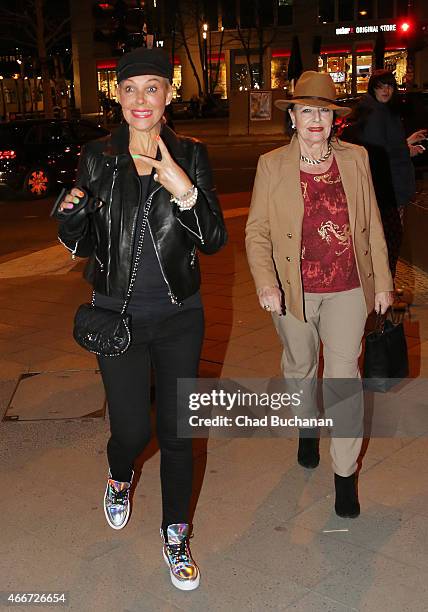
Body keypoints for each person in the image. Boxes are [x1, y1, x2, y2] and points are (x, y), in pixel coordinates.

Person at [56, 47, 227, 590]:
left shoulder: (192, 153)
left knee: (179, 434)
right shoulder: (97, 156)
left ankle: (176, 534)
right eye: (130, 89)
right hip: (116, 314)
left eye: (152, 88)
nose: (140, 99)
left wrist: (184, 189)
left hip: (180, 316)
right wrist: (70, 216)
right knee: (131, 430)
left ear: (169, 94)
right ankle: (119, 473)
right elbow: (78, 242)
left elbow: (215, 239)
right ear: (118, 97)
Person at [246, 71, 394, 518]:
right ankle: (306, 426)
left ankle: (344, 476)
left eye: (324, 111)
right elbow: (257, 232)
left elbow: (371, 222)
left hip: (348, 285)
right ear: (292, 116)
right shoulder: (272, 165)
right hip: (293, 293)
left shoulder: (356, 159)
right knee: (300, 367)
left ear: (335, 119)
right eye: (306, 110)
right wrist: (265, 282)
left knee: (345, 376)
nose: (316, 119)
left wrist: (383, 281)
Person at [340, 69, 426, 278]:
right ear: (372, 88)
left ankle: (385, 287)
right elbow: (377, 153)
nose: (386, 90)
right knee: (389, 240)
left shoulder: (379, 110)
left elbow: (383, 145)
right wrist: (407, 150)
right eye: (380, 85)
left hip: (387, 187)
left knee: (387, 239)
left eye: (389, 85)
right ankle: (384, 289)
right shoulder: (377, 113)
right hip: (387, 189)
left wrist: (407, 142)